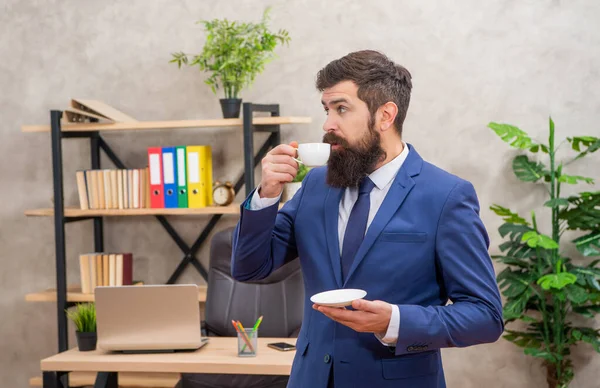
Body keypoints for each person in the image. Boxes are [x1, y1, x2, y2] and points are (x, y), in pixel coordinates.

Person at [231, 50, 503, 388]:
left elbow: (485, 316)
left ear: (385, 115)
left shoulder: (446, 196)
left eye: (341, 109)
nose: (328, 124)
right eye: (327, 110)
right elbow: (249, 268)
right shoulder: (315, 185)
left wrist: (396, 322)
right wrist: (267, 193)